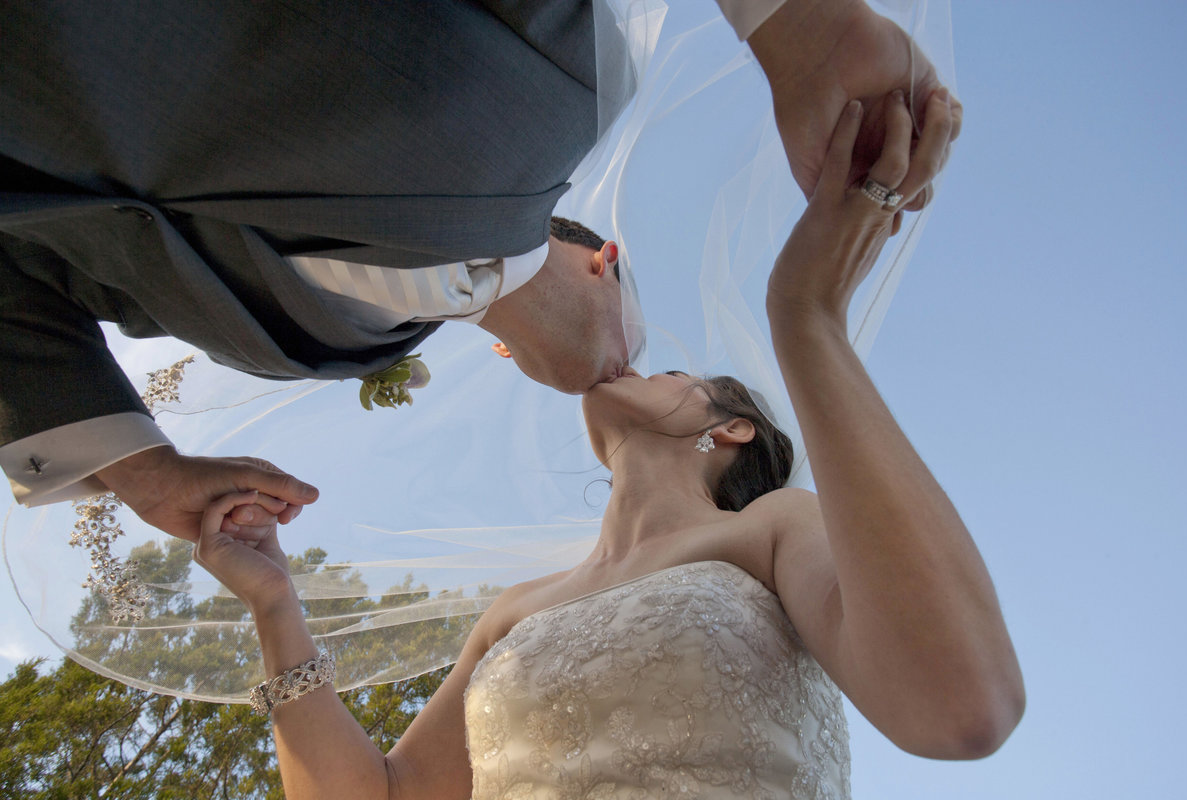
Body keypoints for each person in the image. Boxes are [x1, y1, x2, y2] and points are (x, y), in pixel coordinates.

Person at [189, 90, 1019, 798]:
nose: (639, 365)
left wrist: (806, 317)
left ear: (728, 429)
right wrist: (276, 607)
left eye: (674, 373)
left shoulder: (773, 531)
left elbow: (960, 705)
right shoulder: (513, 612)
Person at [0, 0, 961, 547]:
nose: (639, 370)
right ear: (606, 261)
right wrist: (796, 23)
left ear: (504, 357)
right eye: (657, 354)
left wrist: (142, 471)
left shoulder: (309, 352)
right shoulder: (574, 81)